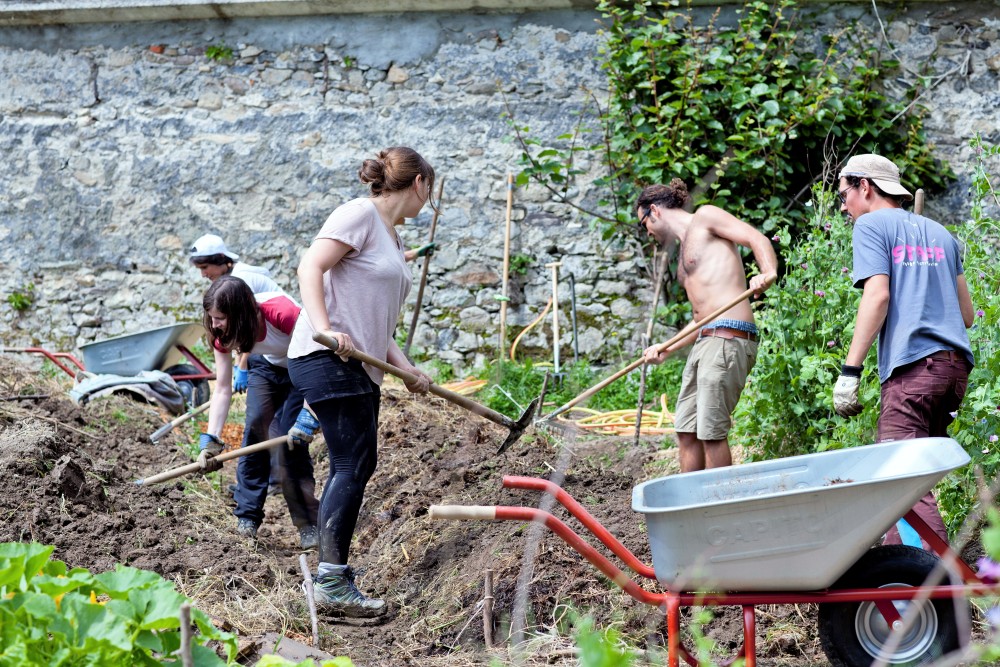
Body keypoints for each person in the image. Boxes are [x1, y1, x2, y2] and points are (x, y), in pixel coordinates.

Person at [287, 146, 434, 618]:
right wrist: (323, 327)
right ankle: (331, 582)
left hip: (361, 362)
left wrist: (407, 368)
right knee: (351, 462)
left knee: (359, 462)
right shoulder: (359, 214)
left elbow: (377, 325)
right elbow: (311, 266)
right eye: (430, 189)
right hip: (325, 356)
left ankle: (334, 577)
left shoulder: (389, 235)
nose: (429, 199)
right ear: (419, 184)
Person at [832, 153, 974, 548]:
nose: (844, 207)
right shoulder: (940, 233)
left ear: (865, 186)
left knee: (902, 483)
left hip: (914, 369)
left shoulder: (871, 225)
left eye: (844, 195)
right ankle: (906, 576)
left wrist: (850, 371)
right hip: (953, 370)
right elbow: (966, 315)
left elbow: (877, 296)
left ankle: (929, 588)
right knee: (912, 479)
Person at [638, 179, 778, 473]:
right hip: (705, 339)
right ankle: (691, 504)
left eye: (643, 224)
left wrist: (768, 272)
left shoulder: (705, 218)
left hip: (729, 337)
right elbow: (700, 317)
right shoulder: (682, 253)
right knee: (686, 430)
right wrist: (666, 348)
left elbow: (756, 239)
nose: (646, 233)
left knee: (711, 432)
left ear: (654, 211)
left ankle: (719, 506)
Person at [197, 275, 321, 550]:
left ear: (240, 313)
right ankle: (248, 517)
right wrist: (212, 438)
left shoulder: (283, 313)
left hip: (304, 367)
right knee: (254, 431)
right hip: (266, 367)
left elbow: (319, 360)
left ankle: (309, 523)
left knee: (290, 441)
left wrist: (309, 412)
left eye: (220, 317)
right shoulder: (223, 333)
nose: (214, 324)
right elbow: (221, 388)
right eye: (211, 317)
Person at [190, 233, 284, 492]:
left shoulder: (239, 283)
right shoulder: (224, 287)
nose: (203, 274)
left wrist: (242, 367)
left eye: (205, 267)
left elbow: (249, 326)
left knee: (279, 421)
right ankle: (259, 485)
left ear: (220, 260)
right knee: (258, 421)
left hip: (282, 350)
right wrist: (212, 437)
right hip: (265, 351)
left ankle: (276, 479)